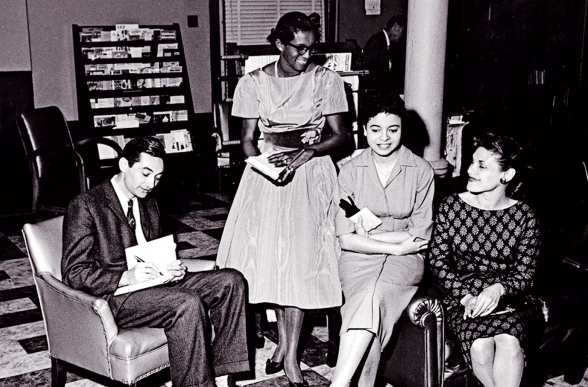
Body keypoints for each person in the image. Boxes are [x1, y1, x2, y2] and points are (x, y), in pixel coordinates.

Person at [216, 11, 348, 387]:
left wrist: (305, 154)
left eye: (311, 49)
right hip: (267, 174)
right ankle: (282, 345)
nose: (306, 56)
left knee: (300, 264)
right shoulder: (253, 82)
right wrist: (262, 163)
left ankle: (290, 355)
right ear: (278, 44)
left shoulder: (327, 79)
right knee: (272, 262)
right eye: (298, 49)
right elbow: (245, 139)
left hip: (311, 170)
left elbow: (341, 136)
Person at [61, 136, 249, 387]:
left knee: (231, 280)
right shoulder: (85, 205)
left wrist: (172, 268)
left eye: (158, 178)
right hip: (114, 296)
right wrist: (125, 277)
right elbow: (74, 273)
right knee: (187, 302)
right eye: (145, 173)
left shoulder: (149, 203)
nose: (151, 184)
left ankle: (225, 374)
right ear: (124, 165)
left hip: (152, 288)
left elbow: (153, 252)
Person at [330, 92, 434, 387]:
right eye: (375, 129)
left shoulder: (421, 171)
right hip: (359, 259)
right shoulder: (349, 171)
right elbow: (347, 241)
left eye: (393, 129)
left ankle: (338, 384)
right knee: (369, 299)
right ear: (363, 130)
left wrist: (381, 240)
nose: (384, 138)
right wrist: (396, 244)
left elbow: (420, 234)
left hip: (407, 261)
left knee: (372, 295)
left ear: (404, 129)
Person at [428, 132, 541, 387]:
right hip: (463, 295)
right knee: (479, 346)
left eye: (481, 165)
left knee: (509, 341)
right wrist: (466, 296)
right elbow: (438, 261)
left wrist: (499, 289)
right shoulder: (451, 207)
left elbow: (525, 274)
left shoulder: (525, 215)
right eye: (471, 162)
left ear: (507, 175)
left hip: (512, 298)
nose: (470, 170)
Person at [362, 15, 407, 93]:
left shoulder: (384, 42)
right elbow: (371, 75)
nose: (403, 36)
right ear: (396, 26)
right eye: (403, 31)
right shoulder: (377, 41)